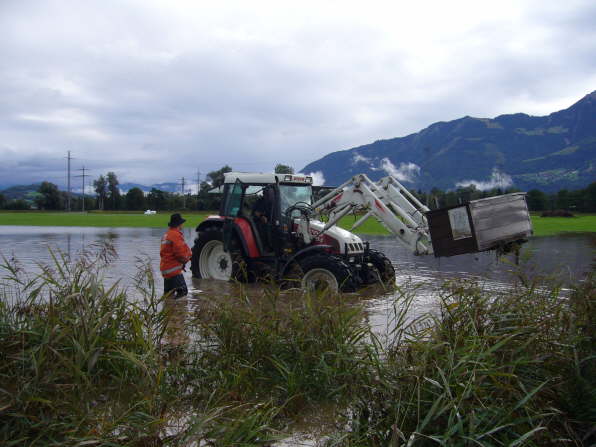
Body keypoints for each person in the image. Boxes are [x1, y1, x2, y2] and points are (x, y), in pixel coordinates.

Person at [160, 213, 192, 298]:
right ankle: (178, 309)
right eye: (182, 223)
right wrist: (187, 258)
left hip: (166, 270)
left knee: (168, 295)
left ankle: (168, 309)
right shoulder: (176, 235)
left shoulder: (166, 235)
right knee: (183, 292)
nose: (183, 225)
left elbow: (163, 253)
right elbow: (180, 254)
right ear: (179, 224)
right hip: (173, 271)